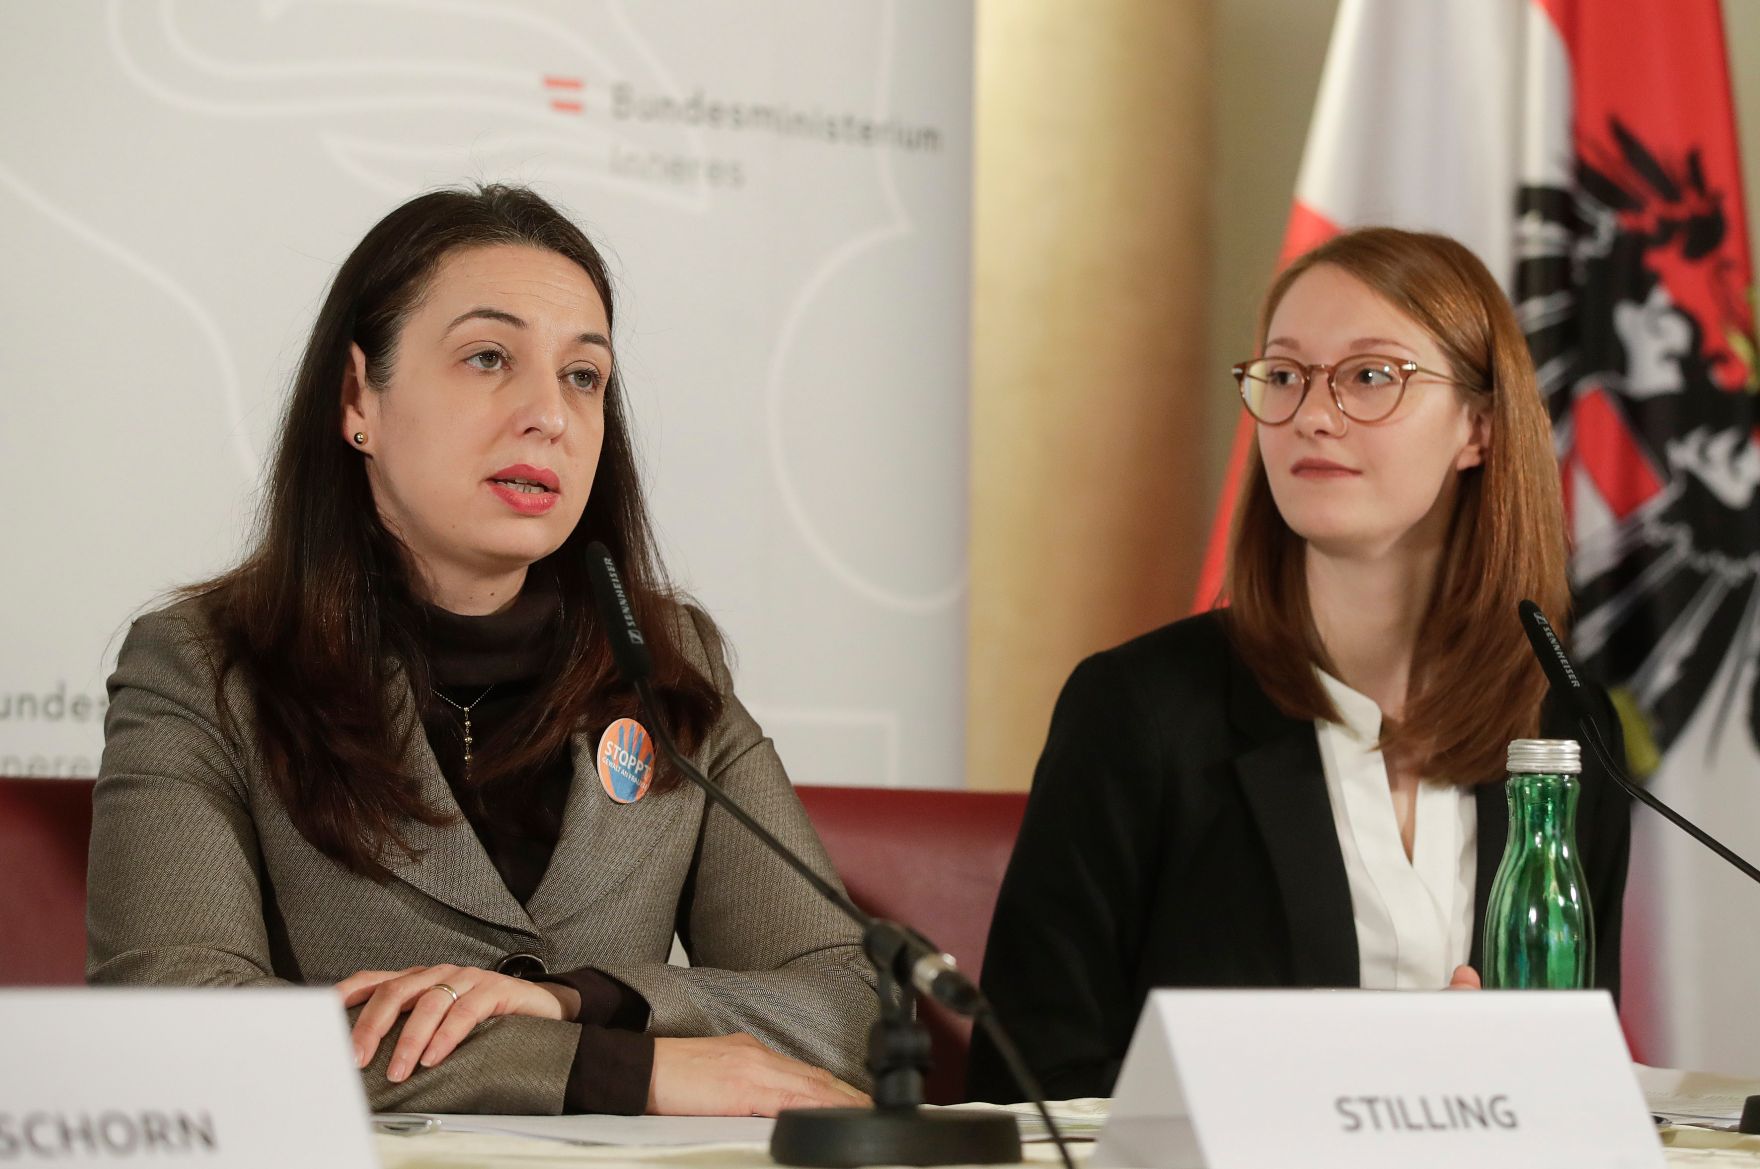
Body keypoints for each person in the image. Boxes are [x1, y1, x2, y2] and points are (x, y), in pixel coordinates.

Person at [87, 184, 876, 1116]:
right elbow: (176, 1033)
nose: (549, 413)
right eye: (489, 357)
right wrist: (611, 1067)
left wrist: (576, 999)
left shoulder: (668, 664)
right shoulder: (204, 667)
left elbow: (848, 1007)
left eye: (584, 375)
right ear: (357, 399)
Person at [966, 227, 1632, 1103]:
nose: (1314, 415)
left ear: (1478, 425)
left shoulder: (1564, 724)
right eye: (1284, 376)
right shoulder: (1141, 710)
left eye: (1369, 376)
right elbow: (1023, 1083)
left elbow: (1577, 1081)